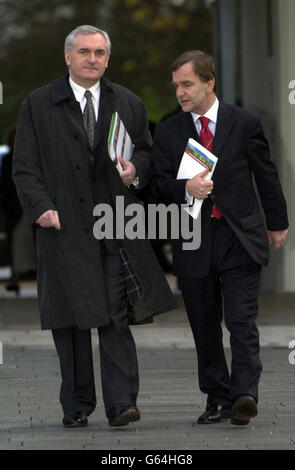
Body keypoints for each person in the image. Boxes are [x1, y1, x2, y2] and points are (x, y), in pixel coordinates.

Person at [12, 25, 176, 428]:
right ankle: (77, 405)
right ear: (67, 57)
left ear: (107, 58)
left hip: (114, 227)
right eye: (84, 51)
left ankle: (122, 404)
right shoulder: (38, 105)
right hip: (62, 228)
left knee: (115, 314)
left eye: (100, 52)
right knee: (70, 320)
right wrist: (41, 208)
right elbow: (24, 168)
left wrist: (136, 169)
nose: (93, 59)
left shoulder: (129, 102)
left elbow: (146, 153)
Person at [150, 50, 288, 426]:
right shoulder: (167, 131)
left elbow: (265, 175)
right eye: (176, 85)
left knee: (242, 320)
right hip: (193, 238)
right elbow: (157, 184)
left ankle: (245, 394)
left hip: (238, 235)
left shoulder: (243, 123)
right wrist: (186, 187)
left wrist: (277, 223)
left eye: (187, 84)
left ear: (209, 83)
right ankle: (217, 397)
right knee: (204, 322)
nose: (180, 92)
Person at [0, 126, 36, 295]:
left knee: (26, 241)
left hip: (26, 205)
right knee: (17, 242)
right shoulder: (11, 159)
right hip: (17, 206)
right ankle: (16, 276)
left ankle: (20, 275)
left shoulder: (26, 157)